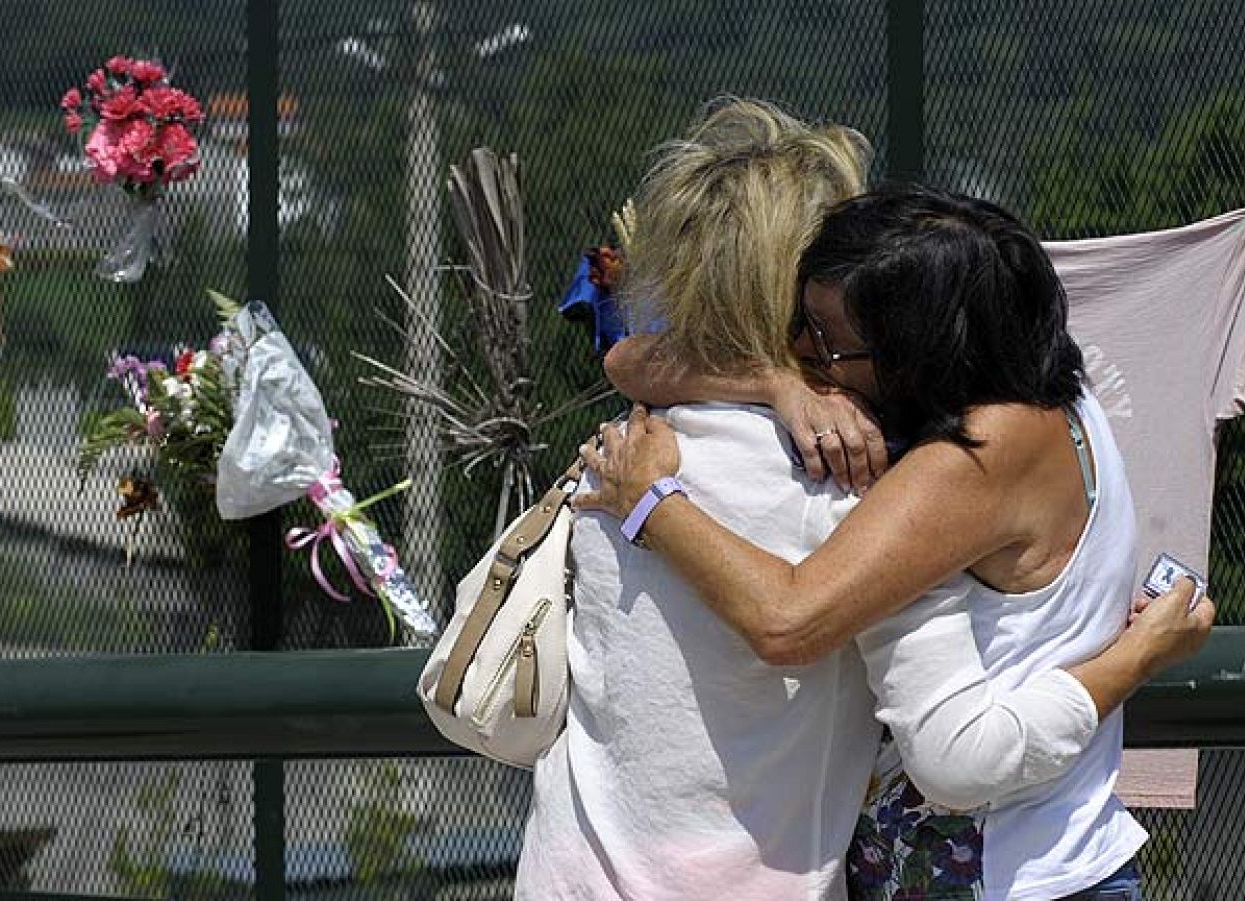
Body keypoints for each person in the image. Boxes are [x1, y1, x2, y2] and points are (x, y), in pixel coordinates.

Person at [515, 99, 1209, 901]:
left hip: (1005, 875)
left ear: (911, 349)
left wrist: (651, 502)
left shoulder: (940, 473)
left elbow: (797, 625)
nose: (810, 352)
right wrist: (773, 380)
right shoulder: (1048, 383)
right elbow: (630, 355)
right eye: (799, 325)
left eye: (827, 336)